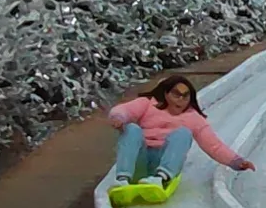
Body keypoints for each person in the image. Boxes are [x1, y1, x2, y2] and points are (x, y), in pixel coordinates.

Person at [107, 75, 255, 188]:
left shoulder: (193, 118)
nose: (180, 100)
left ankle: (160, 178)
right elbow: (125, 109)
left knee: (183, 133)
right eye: (176, 94)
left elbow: (213, 145)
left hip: (166, 159)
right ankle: (122, 179)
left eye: (185, 96)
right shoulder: (147, 104)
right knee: (131, 129)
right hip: (141, 159)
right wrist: (119, 117)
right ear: (166, 94)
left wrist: (236, 162)